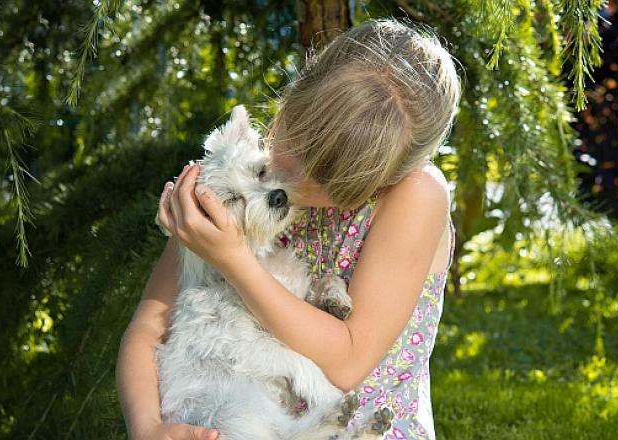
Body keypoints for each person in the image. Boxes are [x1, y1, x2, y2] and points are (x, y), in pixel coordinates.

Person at [116, 17, 461, 440]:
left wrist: (232, 258)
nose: (291, 179)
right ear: (298, 90)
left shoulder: (415, 195)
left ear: (385, 178)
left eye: (330, 180)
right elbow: (151, 325)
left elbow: (348, 360)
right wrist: (147, 427)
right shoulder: (244, 175)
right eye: (293, 141)